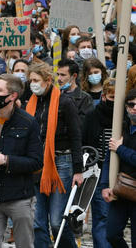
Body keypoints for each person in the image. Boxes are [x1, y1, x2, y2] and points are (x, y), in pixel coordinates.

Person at [0, 74, 43, 247]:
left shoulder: (28, 122)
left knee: (25, 244)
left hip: (19, 197)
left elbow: (36, 162)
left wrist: (5, 160)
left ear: (12, 96)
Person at [26, 62, 83, 248]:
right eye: (30, 80)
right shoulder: (31, 102)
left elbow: (76, 136)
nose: (32, 84)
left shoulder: (65, 102)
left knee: (57, 221)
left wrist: (78, 170)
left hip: (62, 163)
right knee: (37, 221)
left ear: (48, 80)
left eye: (36, 80)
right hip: (37, 164)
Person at [101, 88, 136, 247]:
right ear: (126, 107)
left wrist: (121, 148)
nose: (135, 108)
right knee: (112, 234)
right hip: (121, 189)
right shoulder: (120, 127)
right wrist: (105, 186)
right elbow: (109, 158)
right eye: (131, 104)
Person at [83, 78, 115, 248]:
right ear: (104, 96)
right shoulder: (92, 116)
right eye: (111, 97)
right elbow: (86, 142)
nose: (115, 102)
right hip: (99, 171)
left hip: (120, 172)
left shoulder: (126, 117)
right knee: (102, 215)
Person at [57, 58, 94, 126]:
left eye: (63, 75)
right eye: (58, 74)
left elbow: (84, 124)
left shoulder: (85, 99)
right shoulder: (55, 95)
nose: (59, 78)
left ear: (74, 76)